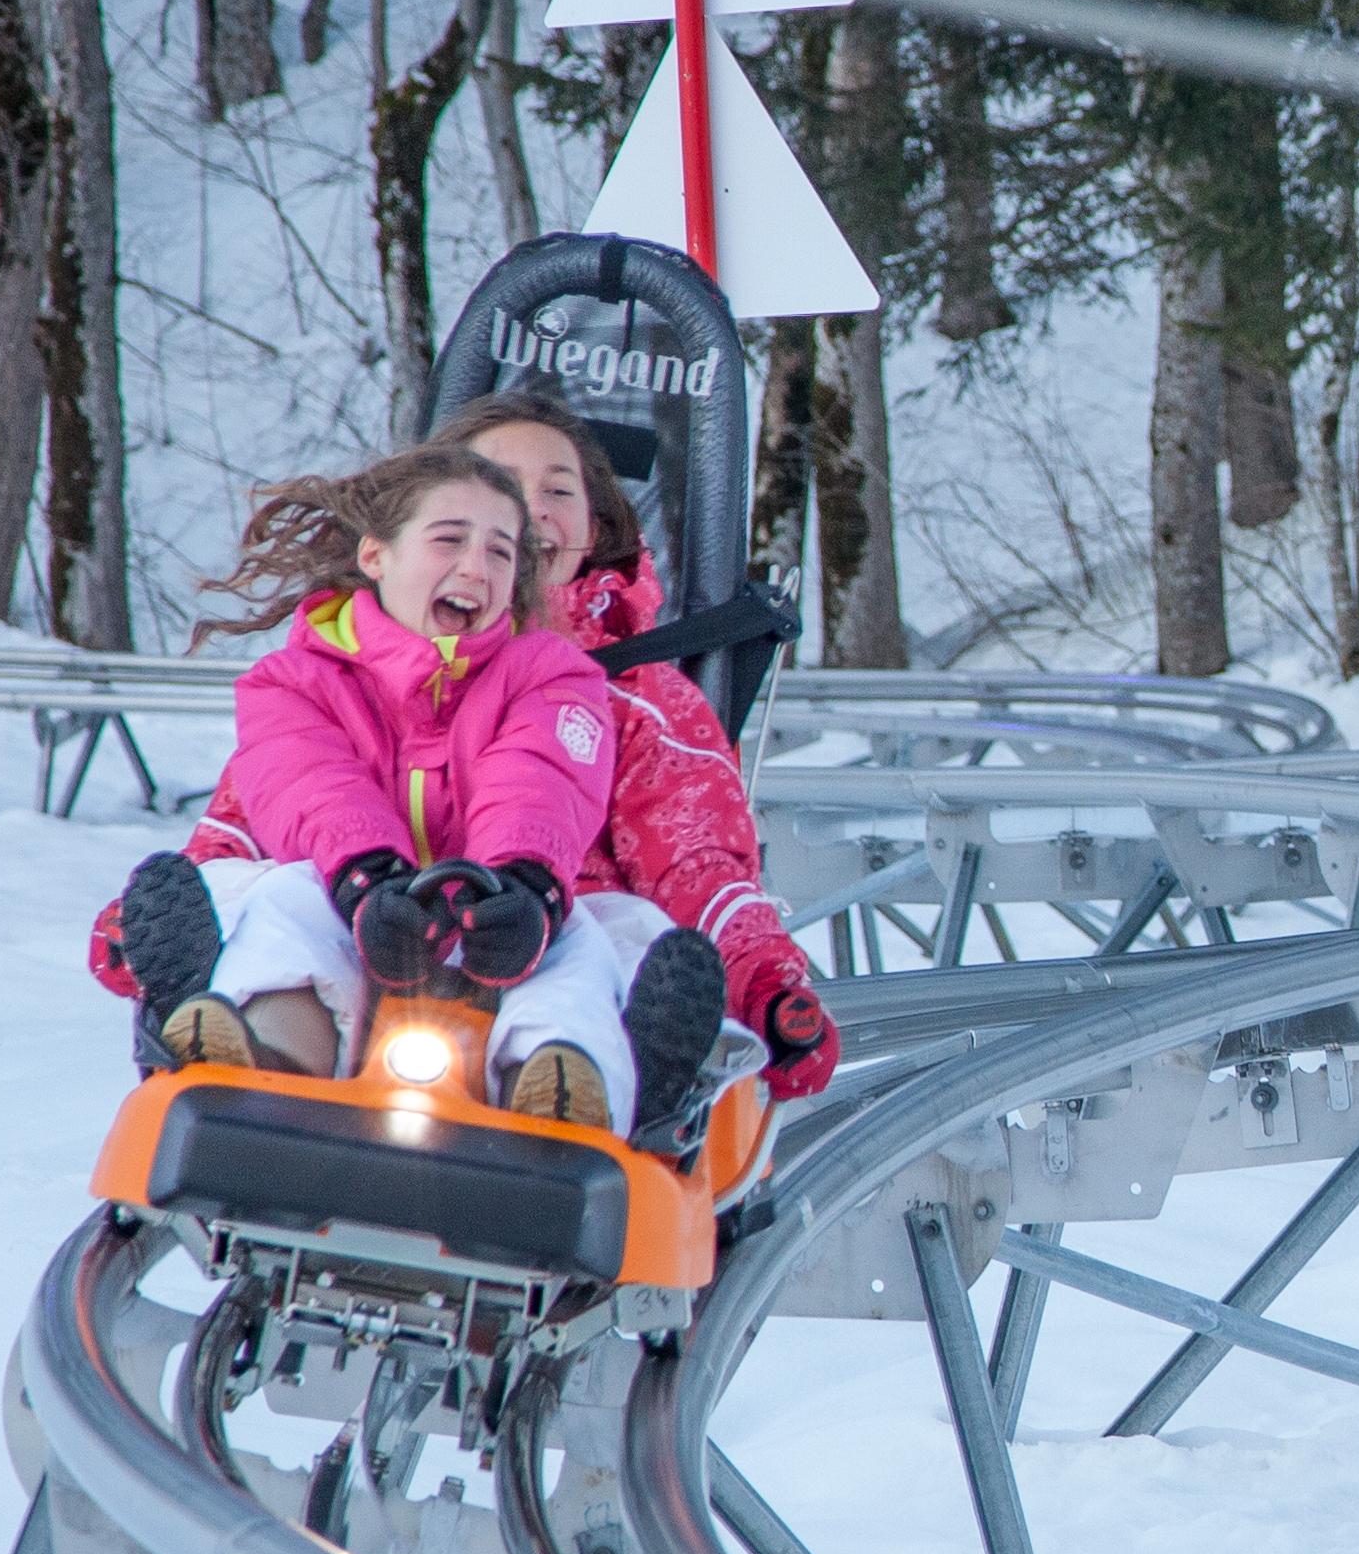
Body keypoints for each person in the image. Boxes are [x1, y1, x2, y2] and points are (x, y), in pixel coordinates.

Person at [94, 444, 728, 1139]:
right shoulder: (292, 679)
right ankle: (259, 1048)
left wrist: (523, 885)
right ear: (376, 555)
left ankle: (564, 1082)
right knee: (282, 899)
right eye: (449, 539)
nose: (474, 567)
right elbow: (312, 784)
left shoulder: (551, 672)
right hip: (356, 903)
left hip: (500, 918)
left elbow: (539, 776)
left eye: (499, 552)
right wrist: (368, 882)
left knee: (586, 943)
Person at [433, 387, 840, 1099]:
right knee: (291, 898)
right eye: (499, 485)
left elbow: (694, 862)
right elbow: (283, 797)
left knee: (612, 941)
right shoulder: (372, 667)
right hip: (397, 928)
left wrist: (765, 984)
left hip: (563, 938)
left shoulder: (640, 701)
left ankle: (596, 1081)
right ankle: (232, 1022)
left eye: (559, 490)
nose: (532, 510)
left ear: (594, 530)